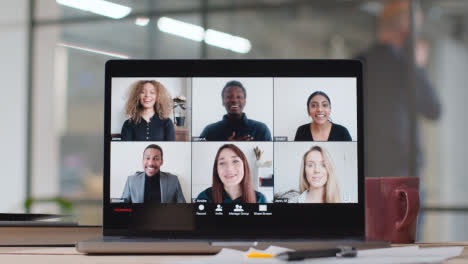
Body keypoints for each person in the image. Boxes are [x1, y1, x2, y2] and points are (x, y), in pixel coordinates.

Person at [356, 0, 441, 178]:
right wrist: (418, 67)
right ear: (407, 30)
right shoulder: (407, 67)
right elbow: (433, 110)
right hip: (404, 171)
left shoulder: (359, 62)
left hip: (366, 171)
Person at [199, 80, 272, 141]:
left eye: (239, 97)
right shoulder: (209, 131)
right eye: (229, 97)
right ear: (223, 101)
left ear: (244, 101)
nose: (234, 100)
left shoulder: (261, 129)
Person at [197, 144, 267, 203]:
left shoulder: (260, 199)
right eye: (222, 163)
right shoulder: (204, 197)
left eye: (235, 161)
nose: (229, 168)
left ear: (244, 166)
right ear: (216, 170)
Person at [121, 144, 185, 203]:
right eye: (147, 158)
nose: (151, 163)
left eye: (156, 159)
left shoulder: (173, 180)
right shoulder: (131, 180)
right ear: (143, 160)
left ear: (161, 161)